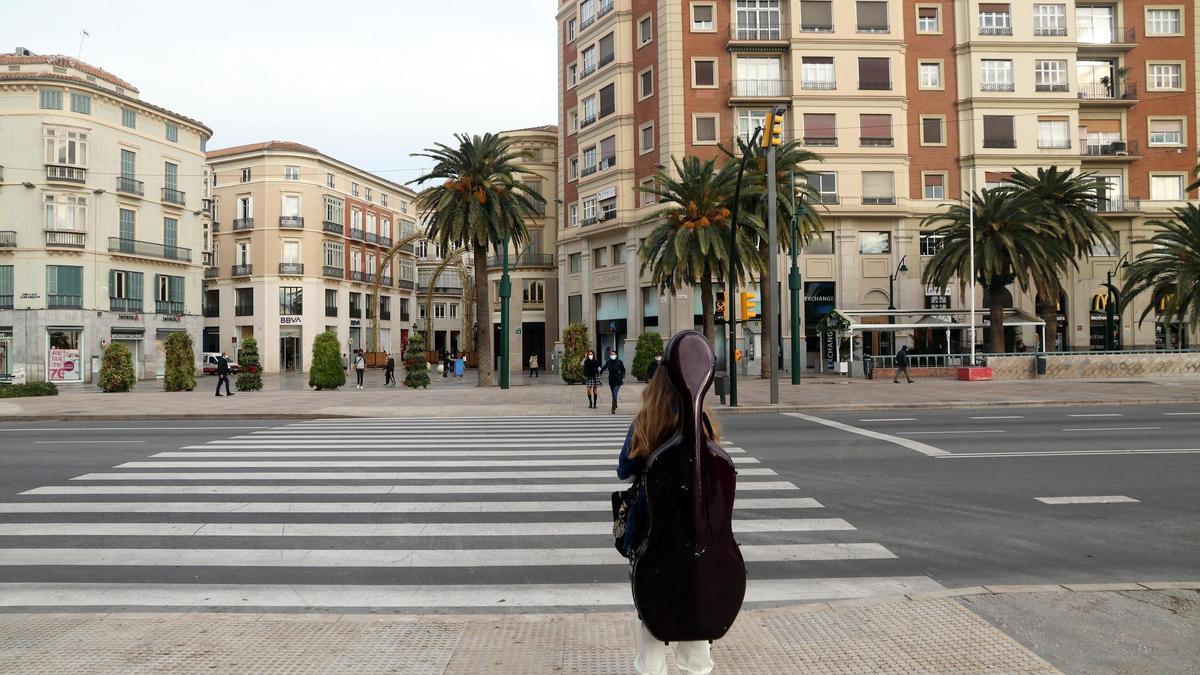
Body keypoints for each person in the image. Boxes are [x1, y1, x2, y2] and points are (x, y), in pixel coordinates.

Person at [617, 366, 719, 675]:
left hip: (652, 535)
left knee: (651, 608)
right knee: (695, 603)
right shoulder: (702, 421)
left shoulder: (645, 422)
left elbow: (625, 470)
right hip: (696, 532)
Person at [600, 348, 626, 414]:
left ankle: (613, 408)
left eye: (613, 354)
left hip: (618, 380)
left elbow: (623, 370)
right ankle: (615, 403)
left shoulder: (619, 362)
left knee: (615, 393)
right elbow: (604, 367)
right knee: (613, 394)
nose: (612, 355)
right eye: (611, 354)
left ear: (616, 355)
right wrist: (600, 372)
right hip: (611, 380)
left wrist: (621, 376)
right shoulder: (608, 362)